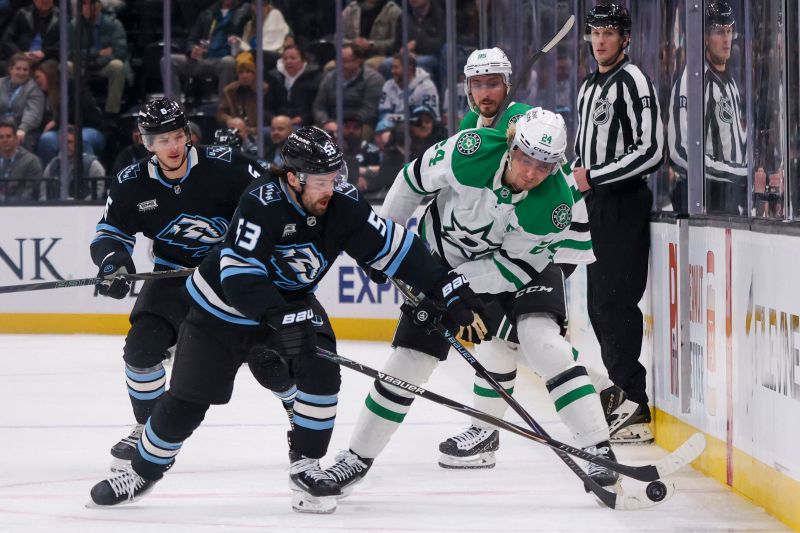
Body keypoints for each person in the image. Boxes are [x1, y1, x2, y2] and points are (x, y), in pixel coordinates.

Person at [87, 126, 485, 514]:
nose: (329, 189)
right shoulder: (261, 202)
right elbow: (239, 274)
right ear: (293, 178)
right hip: (219, 311)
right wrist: (279, 316)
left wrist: (449, 289)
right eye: (319, 181)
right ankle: (142, 473)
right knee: (187, 403)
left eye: (333, 178)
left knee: (322, 374)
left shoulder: (342, 204)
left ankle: (307, 464)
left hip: (290, 302)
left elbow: (397, 249)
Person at [324, 108, 620, 494]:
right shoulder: (470, 150)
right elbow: (411, 182)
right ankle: (356, 458)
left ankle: (598, 449)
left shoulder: (555, 205)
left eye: (544, 166)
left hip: (518, 268)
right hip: (439, 261)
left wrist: (455, 286)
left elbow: (511, 269)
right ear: (511, 146)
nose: (531, 172)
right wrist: (388, 245)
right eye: (525, 158)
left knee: (543, 343)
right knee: (409, 361)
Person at [87, 96, 281, 473]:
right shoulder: (132, 182)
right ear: (146, 143)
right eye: (162, 140)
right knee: (141, 351)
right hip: (172, 275)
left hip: (231, 275)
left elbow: (274, 206)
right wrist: (113, 262)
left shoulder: (228, 167)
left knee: (271, 358)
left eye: (178, 136)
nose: (173, 146)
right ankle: (147, 428)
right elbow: (110, 233)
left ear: (188, 134)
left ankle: (301, 423)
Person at [572, 3, 664, 445]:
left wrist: (594, 176)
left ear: (625, 37)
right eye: (595, 32)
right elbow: (582, 155)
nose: (601, 40)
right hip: (596, 205)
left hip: (624, 204)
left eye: (609, 32)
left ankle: (635, 406)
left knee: (615, 303)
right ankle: (624, 403)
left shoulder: (634, 81)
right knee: (597, 306)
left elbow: (651, 150)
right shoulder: (589, 86)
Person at [668, 1, 747, 215]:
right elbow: (679, 151)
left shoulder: (729, 83)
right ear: (704, 37)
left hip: (729, 198)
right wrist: (738, 174)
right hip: (704, 200)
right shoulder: (692, 81)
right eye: (720, 32)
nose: (726, 39)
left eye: (729, 31)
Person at [161, 0, 249, 101]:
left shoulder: (244, 11)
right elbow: (192, 39)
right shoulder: (208, 13)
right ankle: (175, 108)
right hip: (203, 58)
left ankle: (224, 109)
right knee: (167, 61)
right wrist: (192, 50)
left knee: (228, 62)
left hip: (224, 60)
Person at [32, 59, 105, 166]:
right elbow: (44, 123)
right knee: (46, 139)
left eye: (38, 77)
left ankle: (86, 176)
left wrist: (56, 121)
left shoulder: (71, 86)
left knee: (81, 139)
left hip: (87, 128)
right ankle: (50, 177)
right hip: (60, 132)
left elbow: (81, 111)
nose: (36, 81)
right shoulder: (41, 96)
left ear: (49, 75)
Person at [71, 0, 131, 116]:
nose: (87, 7)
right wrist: (97, 53)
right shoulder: (74, 25)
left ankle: (112, 113)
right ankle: (74, 110)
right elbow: (70, 52)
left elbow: (120, 52)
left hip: (104, 65)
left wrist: (97, 61)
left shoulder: (114, 24)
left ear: (98, 6)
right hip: (83, 64)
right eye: (83, 4)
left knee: (117, 66)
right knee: (66, 66)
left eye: (90, 4)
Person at [312, 43, 384, 130]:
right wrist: (326, 121)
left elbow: (370, 110)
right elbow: (319, 106)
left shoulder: (373, 79)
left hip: (360, 124)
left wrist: (347, 125)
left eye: (345, 61)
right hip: (331, 123)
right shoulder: (329, 77)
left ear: (359, 61)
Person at [460, 47, 530, 131]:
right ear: (468, 88)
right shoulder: (470, 121)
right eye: (477, 85)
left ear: (507, 85)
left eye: (493, 84)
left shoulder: (525, 118)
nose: (485, 94)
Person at [376, 52, 439, 134]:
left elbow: (426, 119)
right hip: (395, 129)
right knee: (381, 130)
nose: (392, 71)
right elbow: (384, 114)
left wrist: (396, 119)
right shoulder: (388, 85)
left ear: (409, 68)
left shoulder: (426, 87)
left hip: (421, 131)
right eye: (392, 68)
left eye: (396, 68)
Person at [42, 125, 106, 199]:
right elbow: (43, 195)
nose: (66, 145)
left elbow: (98, 193)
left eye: (69, 142)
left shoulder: (92, 165)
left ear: (77, 143)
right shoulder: (52, 166)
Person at [268, 45, 321, 126]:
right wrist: (273, 118)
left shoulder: (314, 77)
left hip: (305, 123)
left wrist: (303, 119)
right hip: (278, 123)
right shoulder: (275, 78)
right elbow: (267, 106)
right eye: (285, 59)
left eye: (292, 58)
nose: (288, 61)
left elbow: (317, 106)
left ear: (303, 60)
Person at [0, 53, 44, 151]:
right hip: (1, 128)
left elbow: (33, 113)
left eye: (25, 70)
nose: (21, 72)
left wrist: (23, 128)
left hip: (22, 130)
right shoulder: (1, 83)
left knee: (17, 141)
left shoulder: (33, 89)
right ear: (11, 69)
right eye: (18, 69)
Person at [0, 0, 60, 66]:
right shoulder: (22, 14)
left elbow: (64, 43)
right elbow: (6, 39)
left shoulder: (61, 17)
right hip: (20, 56)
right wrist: (21, 54)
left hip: (48, 59)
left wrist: (44, 53)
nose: (44, 1)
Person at [0, 116, 42, 201]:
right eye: (1, 137)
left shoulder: (31, 161)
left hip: (21, 211)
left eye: (8, 136)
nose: (4, 140)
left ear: (16, 138)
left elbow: (29, 195)